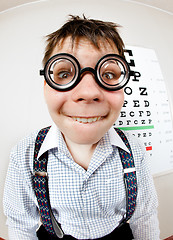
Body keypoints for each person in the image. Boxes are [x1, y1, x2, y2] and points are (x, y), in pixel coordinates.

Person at [3, 15, 160, 240]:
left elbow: (144, 217)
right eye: (65, 74)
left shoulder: (134, 150)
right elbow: (21, 225)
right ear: (47, 85)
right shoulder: (25, 153)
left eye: (108, 74)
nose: (88, 92)